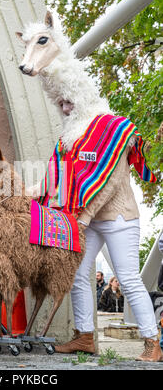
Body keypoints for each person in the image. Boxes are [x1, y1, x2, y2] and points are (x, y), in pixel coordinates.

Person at [53, 138, 163, 361]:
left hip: (119, 217)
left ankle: (152, 343)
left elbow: (108, 185)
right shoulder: (74, 143)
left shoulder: (111, 139)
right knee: (78, 273)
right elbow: (64, 181)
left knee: (129, 278)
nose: (65, 109)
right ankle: (84, 336)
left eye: (69, 103)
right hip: (93, 219)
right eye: (61, 103)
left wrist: (84, 216)